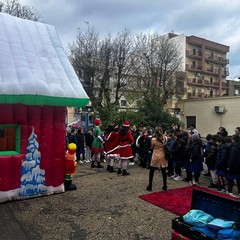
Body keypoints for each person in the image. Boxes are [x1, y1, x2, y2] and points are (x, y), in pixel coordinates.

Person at [146, 127, 168, 191]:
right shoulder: (165, 138)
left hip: (155, 155)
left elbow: (152, 147)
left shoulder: (153, 139)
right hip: (163, 155)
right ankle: (165, 185)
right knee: (164, 171)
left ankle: (150, 185)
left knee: (152, 171)